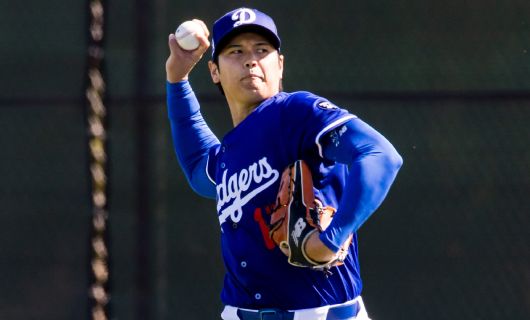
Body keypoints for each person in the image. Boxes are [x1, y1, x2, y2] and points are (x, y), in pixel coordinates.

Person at [165, 7, 402, 320]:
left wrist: (332, 239)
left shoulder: (296, 112)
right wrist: (177, 77)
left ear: (279, 65)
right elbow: (199, 169)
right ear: (214, 71)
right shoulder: (230, 153)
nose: (250, 60)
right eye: (236, 51)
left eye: (261, 50)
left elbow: (380, 155)